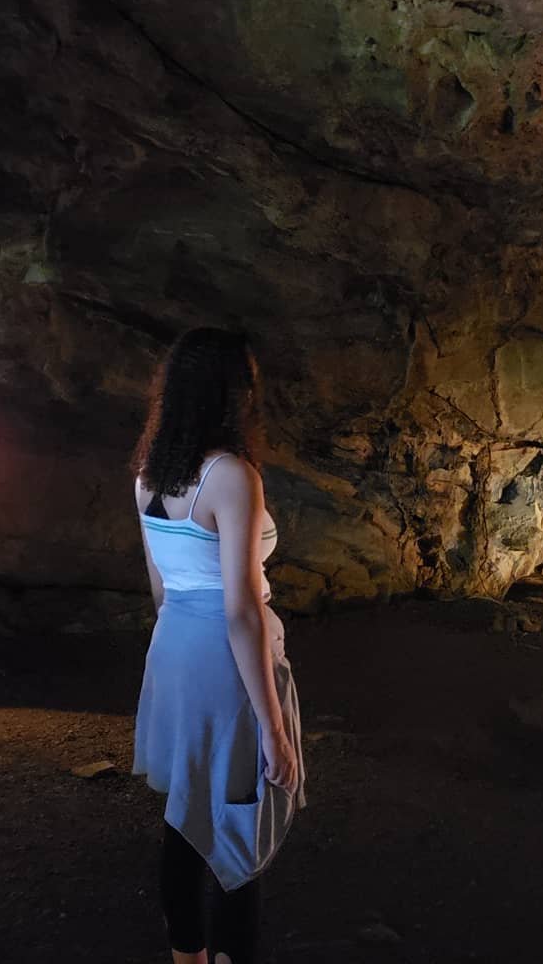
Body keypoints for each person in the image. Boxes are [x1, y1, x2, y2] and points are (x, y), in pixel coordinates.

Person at [130, 328, 306, 964]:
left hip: (173, 647)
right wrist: (273, 728)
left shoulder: (149, 475)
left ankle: (188, 956)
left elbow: (161, 591)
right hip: (222, 660)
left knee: (184, 814)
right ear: (237, 395)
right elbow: (240, 611)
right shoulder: (232, 475)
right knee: (241, 821)